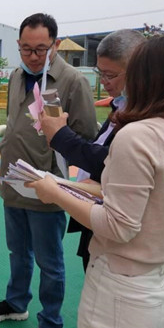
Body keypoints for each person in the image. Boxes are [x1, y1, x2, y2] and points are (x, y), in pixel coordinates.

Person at [28, 32, 164, 328]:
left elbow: (118, 226)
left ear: (146, 76)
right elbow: (141, 196)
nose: (109, 81)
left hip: (121, 289)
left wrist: (55, 193)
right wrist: (70, 186)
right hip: (158, 282)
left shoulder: (139, 134)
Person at [0, 13, 98, 328]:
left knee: (50, 261)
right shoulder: (17, 75)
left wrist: (55, 147)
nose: (33, 56)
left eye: (41, 49)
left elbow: (87, 137)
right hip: (13, 179)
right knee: (17, 251)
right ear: (18, 45)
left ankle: (51, 325)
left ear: (55, 45)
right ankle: (17, 303)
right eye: (26, 49)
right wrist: (5, 146)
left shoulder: (73, 81)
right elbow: (13, 119)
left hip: (47, 186)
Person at [39, 29, 145, 271]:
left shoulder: (145, 117)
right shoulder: (121, 104)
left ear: (139, 71)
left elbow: (110, 160)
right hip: (95, 214)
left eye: (110, 75)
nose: (104, 81)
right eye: (100, 73)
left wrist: (61, 136)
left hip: (115, 231)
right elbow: (100, 148)